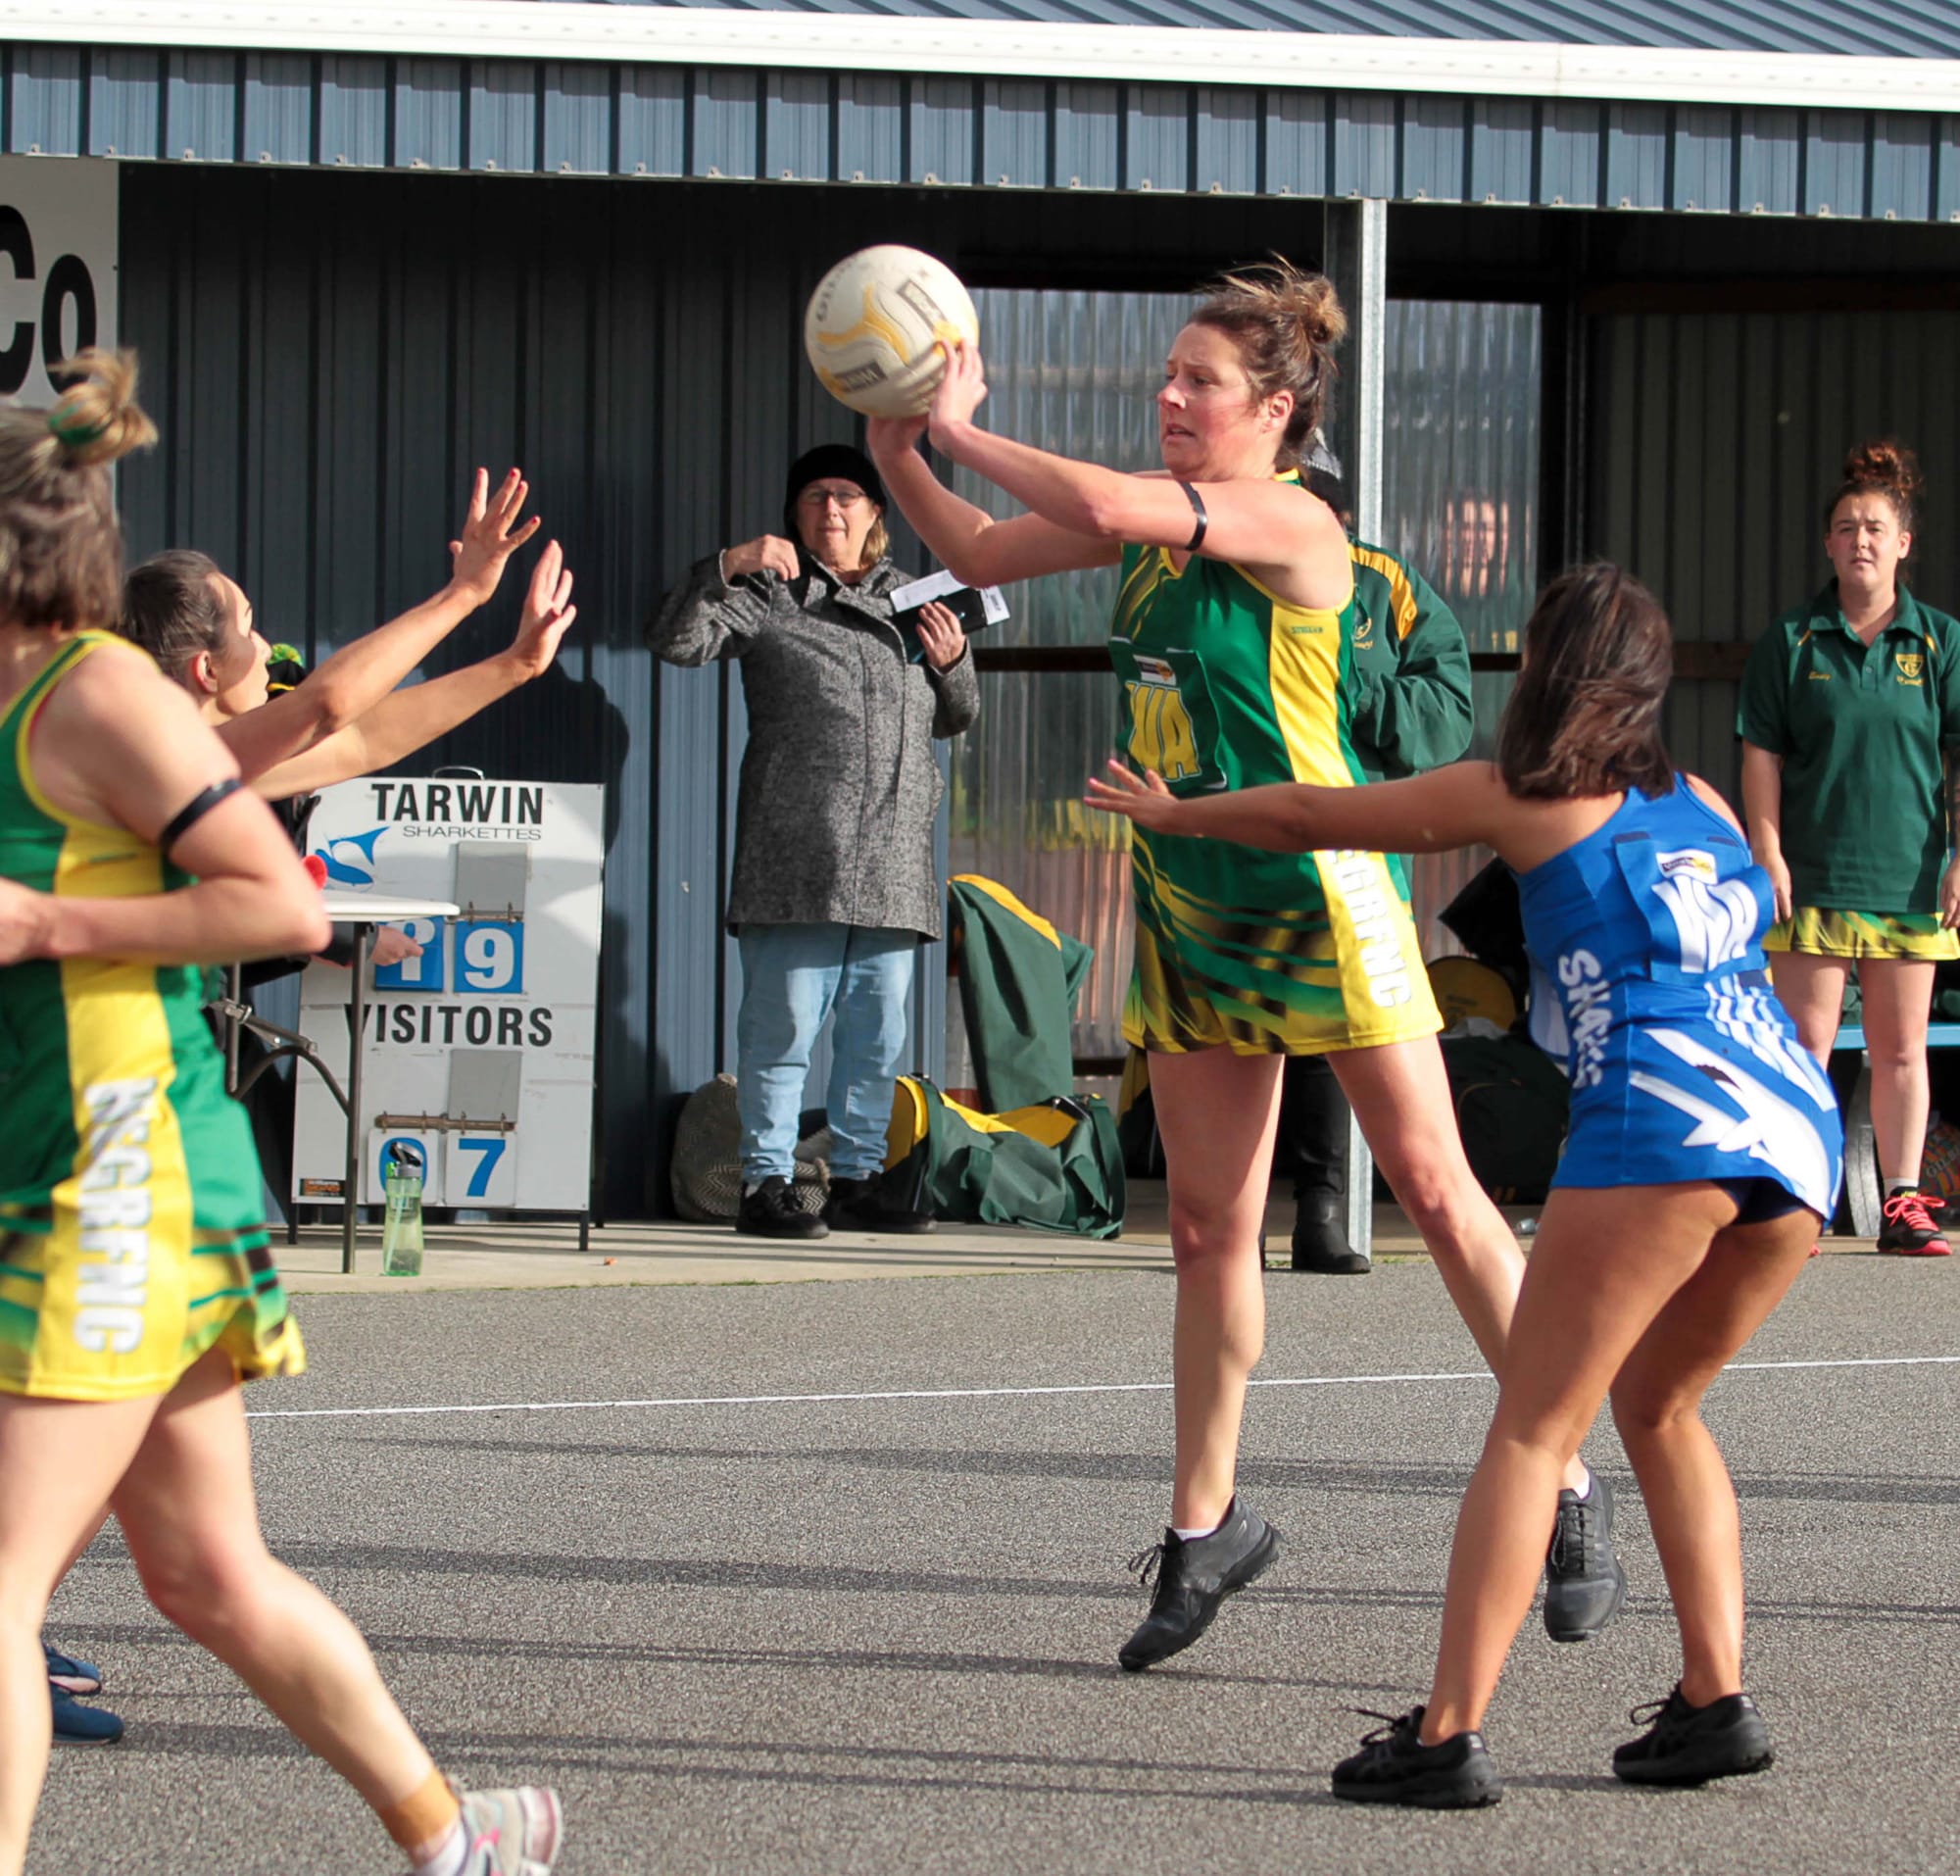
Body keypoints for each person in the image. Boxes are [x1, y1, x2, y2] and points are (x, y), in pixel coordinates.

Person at [864, 261, 1623, 1672]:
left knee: (1442, 1197)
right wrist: (903, 449)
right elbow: (977, 545)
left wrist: (964, 417)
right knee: (1209, 1232)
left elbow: (1087, 502)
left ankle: (1569, 1476)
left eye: (1197, 383)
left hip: (1324, 902)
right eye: (1165, 377)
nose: (1168, 398)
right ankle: (1207, 1522)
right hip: (1193, 907)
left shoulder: (1287, 521)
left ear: (1274, 411)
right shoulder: (1156, 542)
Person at [1087, 564, 1843, 1805]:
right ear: (1648, 685)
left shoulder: (1525, 798)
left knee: (1536, 1427)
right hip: (1793, 1131)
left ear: (1539, 670)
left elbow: (1313, 817)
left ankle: (1444, 1736)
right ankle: (1713, 1701)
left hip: (1663, 1125)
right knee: (1657, 1405)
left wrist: (1177, 819)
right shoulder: (1698, 798)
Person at [0, 351, 562, 1876]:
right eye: (245, 630)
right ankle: (455, 1838)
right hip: (60, 1159)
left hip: (114, 1170)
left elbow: (333, 723)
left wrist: (479, 630)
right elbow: (342, 728)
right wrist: (490, 644)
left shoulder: (105, 705)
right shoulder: (71, 713)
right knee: (206, 1573)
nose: (267, 649)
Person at [647, 443, 979, 1241]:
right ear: (793, 514)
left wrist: (956, 660)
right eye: (815, 499)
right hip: (795, 856)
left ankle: (859, 1177)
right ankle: (766, 1181)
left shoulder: (916, 600)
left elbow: (957, 714)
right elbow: (676, 642)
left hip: (895, 858)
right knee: (783, 1031)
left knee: (878, 1037)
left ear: (876, 515)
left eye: (848, 497)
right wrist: (724, 563)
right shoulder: (769, 593)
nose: (831, 510)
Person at [1740, 440, 1960, 1256]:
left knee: (1902, 1050)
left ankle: (1903, 1203)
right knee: (1806, 1046)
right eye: (1845, 528)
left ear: (1904, 543)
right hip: (1816, 877)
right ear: (1827, 545)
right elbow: (1760, 748)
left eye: (1874, 527)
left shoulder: (1940, 643)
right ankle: (1799, 1200)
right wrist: (1768, 847)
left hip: (1911, 880)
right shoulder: (1793, 641)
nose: (1859, 540)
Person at [1277, 444, 1474, 1275]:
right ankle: (1229, 1216)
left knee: (1336, 1029)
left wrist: (1351, 694)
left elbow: (1450, 709)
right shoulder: (1208, 572)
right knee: (1238, 1034)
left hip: (1353, 846)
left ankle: (1318, 1208)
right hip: (1237, 844)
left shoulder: (1382, 583)